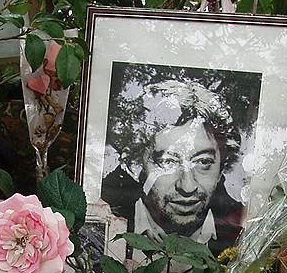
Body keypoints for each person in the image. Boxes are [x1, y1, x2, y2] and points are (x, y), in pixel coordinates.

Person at [102, 79, 244, 255]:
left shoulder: (242, 234)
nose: (187, 187)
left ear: (221, 168)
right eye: (168, 162)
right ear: (135, 165)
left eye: (203, 162)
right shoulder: (100, 219)